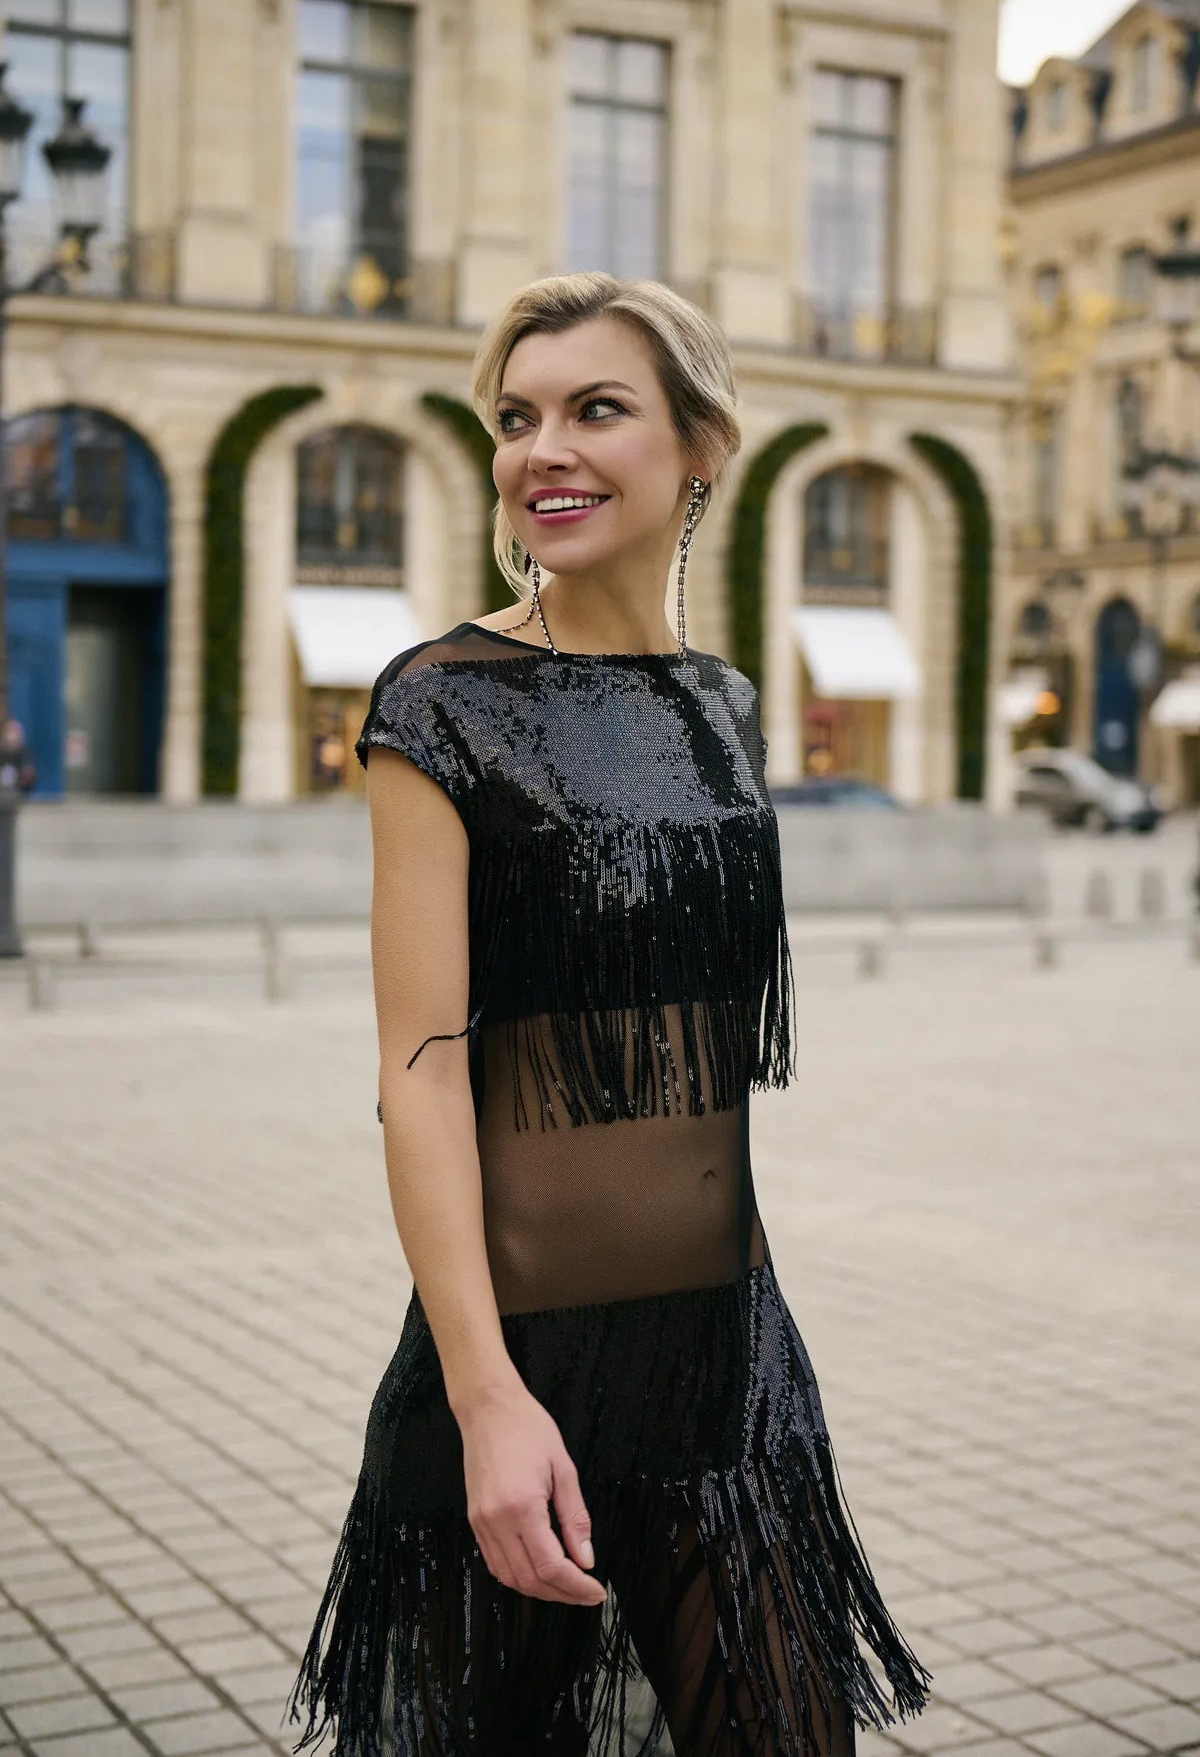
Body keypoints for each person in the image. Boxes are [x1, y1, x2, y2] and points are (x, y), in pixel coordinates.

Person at [287, 273, 931, 1756]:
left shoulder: (725, 702)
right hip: (516, 1363)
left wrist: (754, 1342)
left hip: (729, 1356)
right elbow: (422, 1073)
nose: (542, 451)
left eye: (596, 409)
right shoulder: (441, 701)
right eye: (516, 418)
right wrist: (487, 1401)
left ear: (702, 444)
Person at [0, 719, 37, 796]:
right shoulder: (2, 753)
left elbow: (30, 777)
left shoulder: (25, 754)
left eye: (17, 732)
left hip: (18, 796)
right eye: (11, 731)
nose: (14, 734)